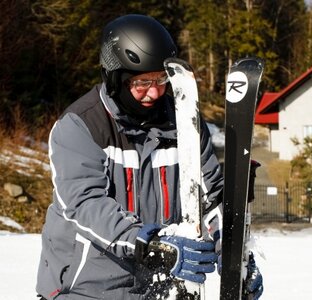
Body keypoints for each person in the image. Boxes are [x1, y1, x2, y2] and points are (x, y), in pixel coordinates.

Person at [36, 14, 262, 299]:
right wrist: (150, 244)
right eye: (141, 82)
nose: (154, 92)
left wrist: (230, 251)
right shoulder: (81, 125)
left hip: (160, 287)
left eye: (161, 79)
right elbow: (85, 204)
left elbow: (211, 196)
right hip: (87, 287)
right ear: (115, 78)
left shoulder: (185, 122)